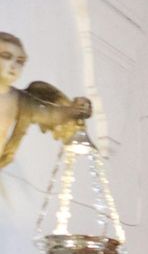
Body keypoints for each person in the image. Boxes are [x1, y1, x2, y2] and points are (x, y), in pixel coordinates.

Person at [0, 31, 92, 171]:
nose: (14, 66)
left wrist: (75, 110)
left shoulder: (21, 101)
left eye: (20, 61)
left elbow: (50, 114)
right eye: (6, 57)